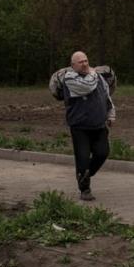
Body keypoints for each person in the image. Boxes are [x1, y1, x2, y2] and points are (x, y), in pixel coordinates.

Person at [52, 51, 115, 201]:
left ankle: (86, 174)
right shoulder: (70, 79)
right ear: (73, 66)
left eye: (86, 61)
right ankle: (84, 188)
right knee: (82, 158)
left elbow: (106, 96)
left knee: (102, 153)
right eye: (80, 62)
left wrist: (111, 114)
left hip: (99, 125)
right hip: (80, 127)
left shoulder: (97, 76)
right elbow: (88, 86)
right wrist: (94, 73)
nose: (85, 64)